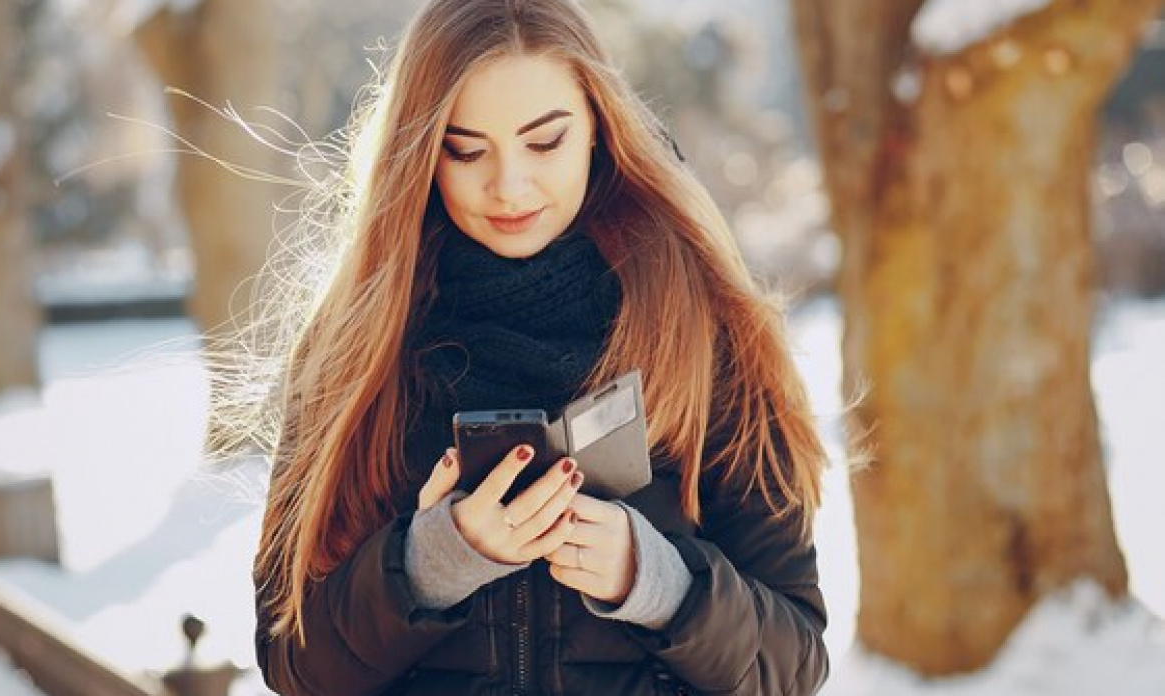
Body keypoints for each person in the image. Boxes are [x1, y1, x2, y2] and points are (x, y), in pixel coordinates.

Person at [245, 0, 830, 694]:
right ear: (421, 154)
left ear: (597, 128)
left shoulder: (705, 331)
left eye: (544, 142)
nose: (509, 186)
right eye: (465, 150)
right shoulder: (356, 347)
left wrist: (658, 581)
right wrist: (430, 562)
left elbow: (795, 662)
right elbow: (292, 657)